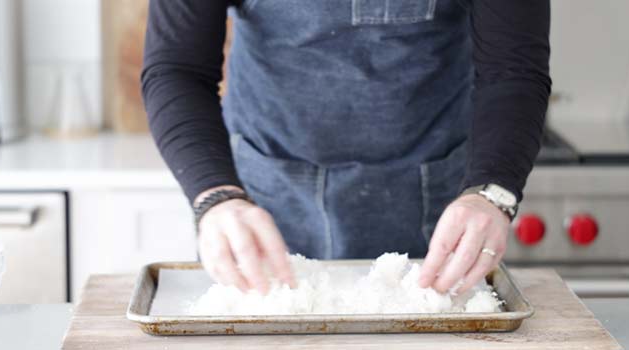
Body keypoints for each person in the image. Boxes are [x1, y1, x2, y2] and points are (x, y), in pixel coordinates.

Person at [142, 0, 551, 295]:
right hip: (258, 201)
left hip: (435, 208)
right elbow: (177, 69)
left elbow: (512, 70)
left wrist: (491, 192)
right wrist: (215, 195)